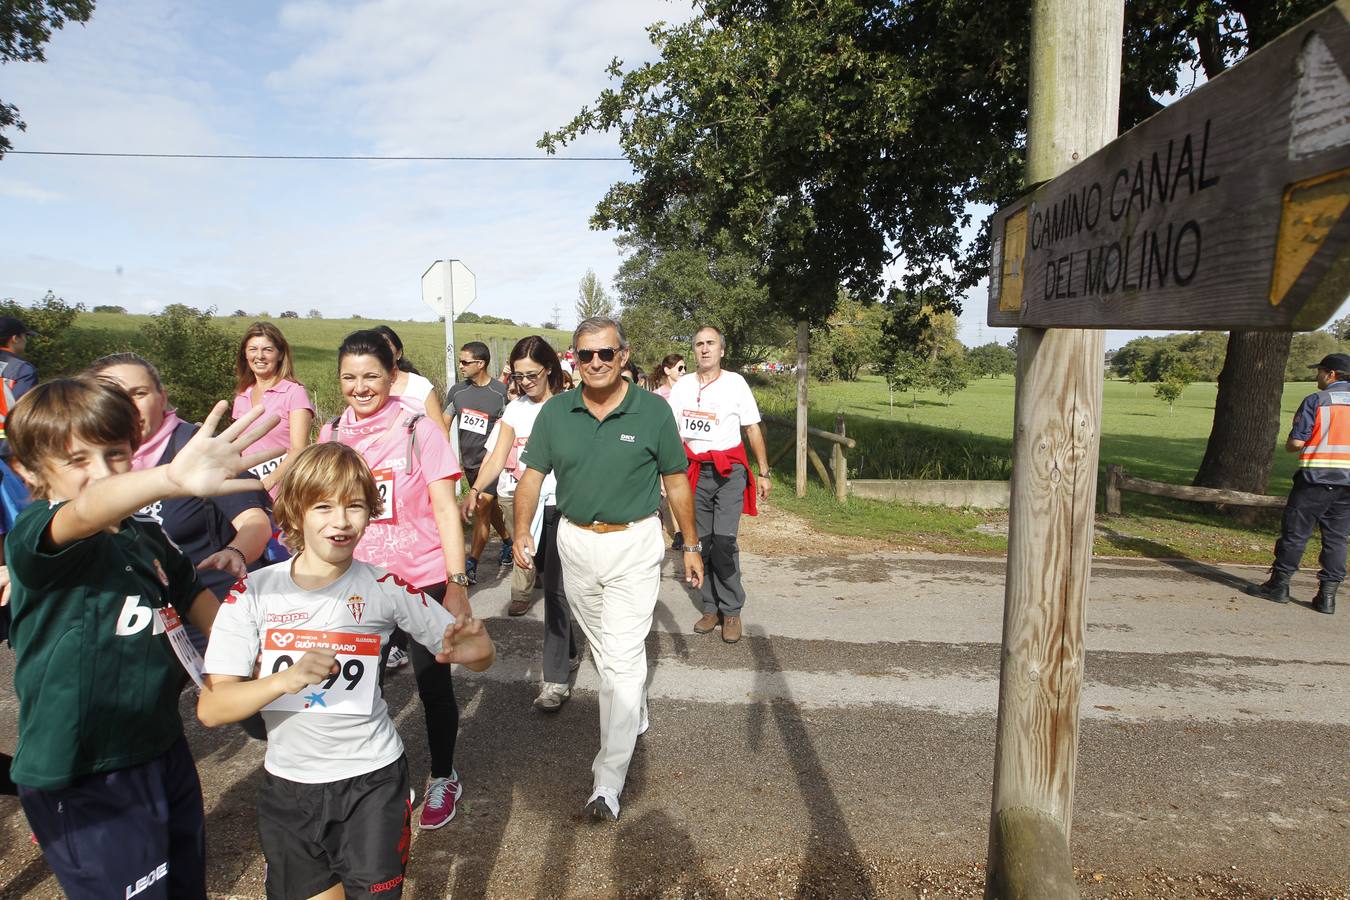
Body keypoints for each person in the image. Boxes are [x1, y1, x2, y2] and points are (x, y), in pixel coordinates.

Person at [4, 378, 275, 899]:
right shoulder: (38, 536)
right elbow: (84, 512)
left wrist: (244, 663)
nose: (102, 473)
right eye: (78, 461)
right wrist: (169, 478)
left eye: (117, 455)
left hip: (161, 748)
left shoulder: (145, 537)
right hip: (81, 770)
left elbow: (193, 592)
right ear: (29, 472)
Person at [198, 442, 494, 900]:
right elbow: (213, 709)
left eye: (355, 506)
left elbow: (471, 653)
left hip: (372, 782)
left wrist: (479, 650)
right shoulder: (252, 593)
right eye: (323, 507)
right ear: (294, 513)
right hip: (289, 787)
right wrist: (285, 679)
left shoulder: (384, 586)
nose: (341, 521)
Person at [512, 316, 703, 821]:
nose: (595, 363)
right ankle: (632, 706)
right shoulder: (556, 412)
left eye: (605, 354)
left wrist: (689, 543)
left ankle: (607, 781)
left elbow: (677, 481)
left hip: (635, 543)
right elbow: (531, 478)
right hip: (573, 541)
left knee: (618, 657)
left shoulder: (653, 412)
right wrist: (520, 532)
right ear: (572, 361)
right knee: (603, 644)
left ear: (623, 356)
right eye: (584, 355)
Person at [321, 330, 473, 829]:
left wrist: (456, 581)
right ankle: (379, 779)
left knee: (432, 685)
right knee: (358, 690)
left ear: (392, 376)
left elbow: (446, 509)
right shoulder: (332, 436)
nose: (360, 387)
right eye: (349, 377)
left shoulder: (417, 430)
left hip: (421, 579)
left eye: (371, 376)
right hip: (355, 582)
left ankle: (442, 776)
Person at [90, 354, 274, 649]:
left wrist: (236, 552)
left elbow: (255, 521)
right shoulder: (87, 463)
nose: (127, 405)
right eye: (114, 395)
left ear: (162, 397)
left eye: (139, 393)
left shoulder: (197, 449)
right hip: (132, 624)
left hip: (211, 613)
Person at [461, 336, 577, 710]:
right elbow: (496, 456)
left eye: (531, 375)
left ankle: (555, 679)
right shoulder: (514, 410)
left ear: (550, 370)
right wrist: (476, 488)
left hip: (564, 507)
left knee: (557, 593)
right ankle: (570, 649)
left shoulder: (570, 407)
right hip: (527, 508)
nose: (524, 382)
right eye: (518, 376)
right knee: (545, 576)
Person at [667, 325, 772, 644]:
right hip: (694, 472)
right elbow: (671, 432)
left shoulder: (736, 384)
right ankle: (711, 608)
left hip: (728, 473)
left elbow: (752, 429)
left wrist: (764, 472)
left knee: (725, 542)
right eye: (699, 344)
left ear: (722, 350)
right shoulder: (683, 386)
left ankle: (732, 610)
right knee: (701, 543)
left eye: (711, 343)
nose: (704, 349)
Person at [1245, 352, 1350, 615]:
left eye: (1320, 371)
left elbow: (1296, 443)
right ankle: (1327, 598)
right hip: (1348, 484)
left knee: (1296, 533)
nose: (1318, 375)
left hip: (1316, 478)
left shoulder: (1317, 400)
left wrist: (1294, 443)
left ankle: (1279, 586)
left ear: (1331, 374)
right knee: (1337, 538)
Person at [445, 340, 512, 584]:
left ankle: (471, 564)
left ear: (480, 363)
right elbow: (444, 425)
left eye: (465, 361)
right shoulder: (457, 392)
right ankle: (507, 541)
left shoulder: (500, 393)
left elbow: (509, 429)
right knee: (490, 509)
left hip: (493, 463)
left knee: (482, 507)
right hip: (469, 464)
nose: (460, 366)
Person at [231, 322, 314, 495]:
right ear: (245, 354)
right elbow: (238, 448)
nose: (259, 356)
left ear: (280, 354)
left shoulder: (294, 393)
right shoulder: (241, 396)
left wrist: (266, 484)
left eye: (267, 350)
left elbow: (299, 450)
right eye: (253, 349)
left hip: (283, 495)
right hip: (248, 494)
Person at [373, 325, 450, 437]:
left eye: (386, 346)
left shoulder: (419, 385)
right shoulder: (364, 388)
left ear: (399, 353)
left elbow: (441, 433)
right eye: (375, 347)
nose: (380, 352)